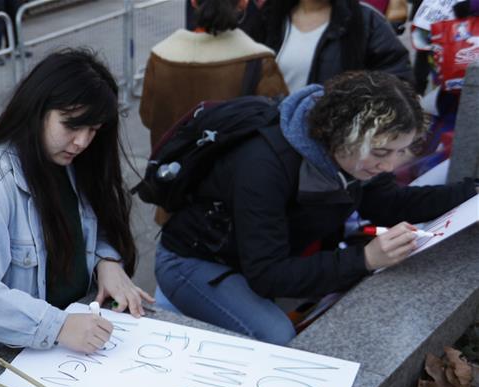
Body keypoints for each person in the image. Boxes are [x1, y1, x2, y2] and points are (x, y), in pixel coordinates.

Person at [154, 71, 477, 344]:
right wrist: (365, 258)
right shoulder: (265, 165)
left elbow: (389, 203)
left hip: (252, 255)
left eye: (400, 151)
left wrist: (471, 192)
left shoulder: (350, 154)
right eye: (381, 153)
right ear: (342, 134)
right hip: (192, 261)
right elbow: (267, 274)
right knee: (277, 335)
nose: (390, 166)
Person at [0, 49, 152, 369]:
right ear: (37, 110)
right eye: (71, 126)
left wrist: (107, 260)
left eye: (92, 130)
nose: (81, 142)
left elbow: (100, 225)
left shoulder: (74, 164)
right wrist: (57, 326)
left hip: (61, 354)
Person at [140, 0, 288, 153]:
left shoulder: (160, 58)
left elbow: (148, 118)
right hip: (234, 171)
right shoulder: (260, 61)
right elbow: (276, 120)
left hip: (172, 169)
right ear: (243, 3)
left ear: (193, 2)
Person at [244, 0, 413, 93]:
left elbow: (397, 82)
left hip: (334, 142)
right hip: (272, 137)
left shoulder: (366, 22)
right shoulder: (269, 17)